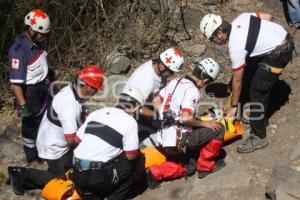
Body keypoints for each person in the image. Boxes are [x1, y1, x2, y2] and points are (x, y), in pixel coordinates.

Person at [199, 13, 294, 153]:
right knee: (249, 64)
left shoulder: (236, 46)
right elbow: (268, 16)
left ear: (219, 33)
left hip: (280, 52)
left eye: (212, 39)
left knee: (257, 90)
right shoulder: (241, 17)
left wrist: (233, 106)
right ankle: (255, 111)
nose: (214, 42)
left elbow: (237, 79)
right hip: (283, 37)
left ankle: (258, 136)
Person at [7, 65, 104, 195]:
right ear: (87, 86)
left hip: (52, 138)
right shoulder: (70, 106)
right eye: (95, 90)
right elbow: (71, 140)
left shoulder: (73, 90)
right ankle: (20, 174)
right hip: (53, 148)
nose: (95, 93)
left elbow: (80, 110)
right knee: (63, 180)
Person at [145, 58, 225, 189]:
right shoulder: (193, 90)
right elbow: (186, 118)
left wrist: (164, 112)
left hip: (164, 137)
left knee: (190, 167)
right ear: (205, 80)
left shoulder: (176, 81)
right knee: (219, 128)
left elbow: (156, 100)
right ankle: (206, 166)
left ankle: (155, 172)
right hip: (179, 140)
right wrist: (206, 124)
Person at [72, 87, 145, 200]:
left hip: (76, 174)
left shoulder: (96, 113)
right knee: (138, 161)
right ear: (135, 108)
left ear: (117, 101)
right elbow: (131, 156)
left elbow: (76, 140)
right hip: (96, 178)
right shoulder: (130, 122)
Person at [8, 9, 51, 163]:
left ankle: (43, 152)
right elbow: (15, 84)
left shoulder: (35, 43)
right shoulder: (18, 50)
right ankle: (32, 157)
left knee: (44, 123)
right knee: (31, 127)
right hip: (30, 94)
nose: (44, 37)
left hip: (41, 88)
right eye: (42, 34)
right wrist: (23, 105)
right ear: (32, 30)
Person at [122, 48, 184, 140]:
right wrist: (158, 115)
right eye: (170, 72)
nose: (171, 74)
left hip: (145, 104)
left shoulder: (156, 65)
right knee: (156, 136)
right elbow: (132, 106)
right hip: (129, 114)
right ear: (163, 67)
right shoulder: (147, 81)